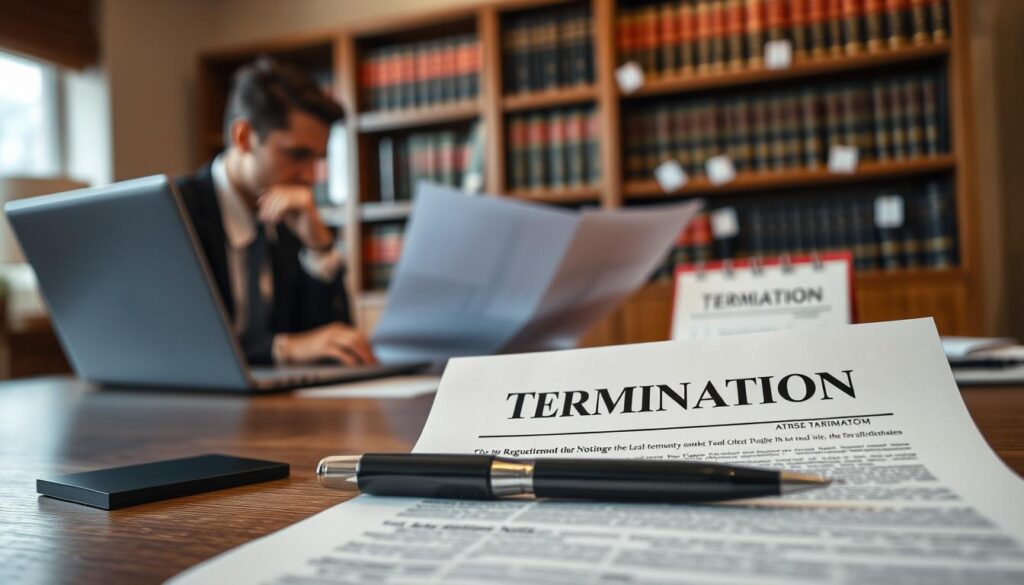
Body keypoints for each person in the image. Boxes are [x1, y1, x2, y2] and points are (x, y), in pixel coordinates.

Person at [176, 57, 376, 367]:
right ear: (243, 137)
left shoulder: (292, 218)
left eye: (317, 160)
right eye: (297, 155)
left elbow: (335, 349)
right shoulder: (177, 212)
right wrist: (283, 348)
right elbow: (184, 346)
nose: (310, 177)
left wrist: (319, 249)